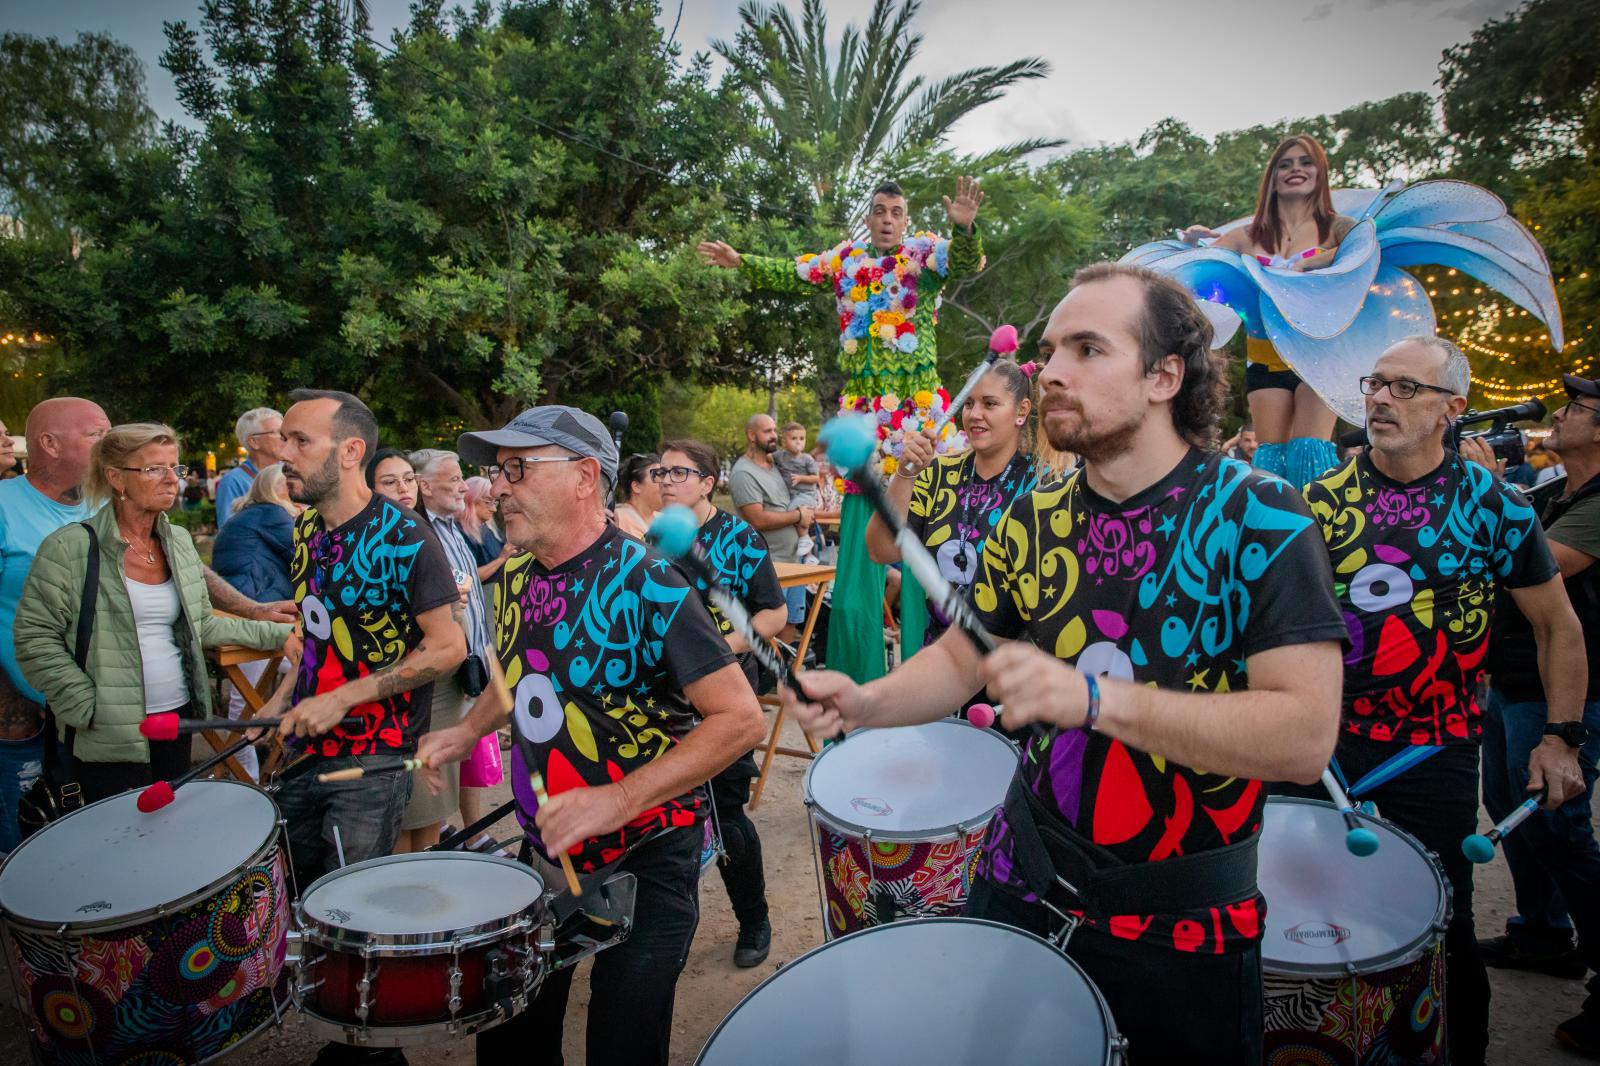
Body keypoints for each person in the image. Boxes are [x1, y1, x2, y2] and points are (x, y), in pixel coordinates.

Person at [782, 262, 1348, 1061]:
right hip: (1022, 876)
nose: (1050, 372)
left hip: (1184, 917)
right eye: (1050, 351)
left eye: (1087, 349)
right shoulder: (1033, 515)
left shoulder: (1259, 512)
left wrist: (1090, 698)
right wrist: (864, 703)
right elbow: (964, 656)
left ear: (1164, 376)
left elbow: (1302, 734)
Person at [417, 405, 766, 1066]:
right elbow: (521, 675)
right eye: (496, 470)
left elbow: (740, 718)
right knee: (513, 1038)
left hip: (648, 855)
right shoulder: (517, 574)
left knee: (621, 1043)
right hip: (551, 854)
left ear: (583, 476)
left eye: (517, 468)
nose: (495, 486)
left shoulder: (650, 581)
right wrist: (465, 733)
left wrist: (616, 799)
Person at [1294, 336, 1586, 1066]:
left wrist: (1561, 738)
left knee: (1442, 929)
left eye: (1404, 388)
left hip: (1434, 752)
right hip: (1320, 745)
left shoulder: (1495, 507)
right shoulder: (1317, 503)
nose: (1381, 399)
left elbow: (1557, 626)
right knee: (1304, 912)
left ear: (1452, 409)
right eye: (1376, 384)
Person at [700, 177, 986, 686]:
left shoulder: (926, 254)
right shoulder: (845, 260)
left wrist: (964, 229)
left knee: (922, 559)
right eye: (879, 211)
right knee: (856, 576)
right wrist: (740, 261)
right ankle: (858, 691)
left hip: (921, 421)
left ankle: (931, 683)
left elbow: (964, 263)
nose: (887, 220)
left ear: (906, 217)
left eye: (896, 211)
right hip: (864, 428)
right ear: (869, 217)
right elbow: (791, 273)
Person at [263, 390, 464, 913]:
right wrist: (283, 696)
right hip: (305, 746)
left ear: (351, 452)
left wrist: (344, 698)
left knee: (343, 906)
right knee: (290, 893)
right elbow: (316, 634)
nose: (284, 453)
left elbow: (448, 648)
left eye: (300, 440)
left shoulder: (407, 537)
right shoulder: (306, 529)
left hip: (372, 759)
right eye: (284, 439)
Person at [14, 423, 290, 802]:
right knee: (118, 835)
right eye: (153, 469)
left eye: (174, 468)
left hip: (175, 719)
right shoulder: (70, 548)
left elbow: (203, 625)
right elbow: (33, 639)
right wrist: (85, 706)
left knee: (168, 828)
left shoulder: (175, 540)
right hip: (108, 730)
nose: (171, 479)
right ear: (116, 478)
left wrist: (286, 635)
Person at [1477, 372, 1600, 1055]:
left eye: (1579, 406)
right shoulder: (1557, 490)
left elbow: (1539, 562)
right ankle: (1544, 934)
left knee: (1558, 825)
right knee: (1509, 808)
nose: (1561, 413)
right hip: (1514, 680)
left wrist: (1487, 489)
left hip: (1570, 691)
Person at [658, 437, 786, 968]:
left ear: (708, 483)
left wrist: (714, 650)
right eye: (660, 471)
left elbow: (774, 616)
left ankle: (753, 919)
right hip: (663, 699)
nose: (665, 480)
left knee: (725, 812)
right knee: (666, 816)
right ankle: (665, 933)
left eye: (679, 473)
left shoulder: (738, 537)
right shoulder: (653, 539)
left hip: (727, 694)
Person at [1178, 136, 1356, 486]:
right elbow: (1200, 265)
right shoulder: (1247, 236)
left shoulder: (1337, 228)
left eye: (1306, 162)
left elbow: (1367, 250)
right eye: (1285, 164)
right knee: (1270, 457)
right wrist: (1189, 242)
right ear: (1273, 176)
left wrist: (1319, 260)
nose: (1296, 170)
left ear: (1320, 172)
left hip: (1319, 355)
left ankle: (1321, 534)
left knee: (1311, 452)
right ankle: (1273, 533)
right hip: (1264, 356)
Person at [865, 357, 1040, 657]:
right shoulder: (938, 474)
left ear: (1021, 411)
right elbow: (881, 550)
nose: (974, 415)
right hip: (942, 658)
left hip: (1013, 667)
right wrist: (905, 475)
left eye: (989, 403)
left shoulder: (1042, 482)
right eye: (969, 404)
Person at [0, 398, 110, 852]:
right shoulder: (5, 506)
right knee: (29, 850)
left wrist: (253, 610)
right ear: (49, 443)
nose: (111, 444)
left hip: (106, 713)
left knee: (97, 842)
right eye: (97, 436)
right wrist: (13, 705)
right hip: (29, 724)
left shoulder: (108, 503)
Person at [399, 447, 491, 853]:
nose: (462, 485)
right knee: (423, 789)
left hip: (461, 670)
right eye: (453, 478)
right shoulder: (419, 530)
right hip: (431, 677)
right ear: (425, 485)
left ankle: (432, 857)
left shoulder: (452, 527)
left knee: (441, 789)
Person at [210, 462, 299, 779]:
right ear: (276, 489)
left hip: (236, 615)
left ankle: (250, 767)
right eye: (291, 482)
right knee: (248, 698)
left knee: (253, 692)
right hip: (255, 616)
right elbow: (310, 556)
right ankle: (246, 773)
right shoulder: (272, 514)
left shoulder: (247, 515)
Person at [729, 414, 812, 645]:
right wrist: (799, 515)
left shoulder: (776, 464)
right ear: (751, 435)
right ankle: (768, 676)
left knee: (792, 619)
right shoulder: (744, 473)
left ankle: (783, 677)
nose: (774, 435)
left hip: (795, 559)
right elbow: (757, 519)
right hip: (769, 564)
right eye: (767, 431)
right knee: (771, 624)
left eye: (775, 430)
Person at [214, 406, 284, 526]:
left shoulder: (290, 473)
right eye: (277, 432)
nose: (285, 437)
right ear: (254, 442)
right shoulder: (233, 482)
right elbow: (230, 534)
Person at [775, 422, 820, 561]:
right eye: (794, 438)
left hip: (806, 494)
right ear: (784, 442)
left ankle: (805, 538)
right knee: (792, 512)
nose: (798, 442)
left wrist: (801, 478)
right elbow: (767, 458)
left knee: (794, 512)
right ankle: (808, 556)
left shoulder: (807, 459)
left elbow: (816, 477)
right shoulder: (780, 456)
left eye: (801, 438)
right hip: (791, 494)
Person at [462, 474, 511, 579]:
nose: (494, 509)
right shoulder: (460, 533)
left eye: (495, 503)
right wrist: (501, 559)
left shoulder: (489, 528)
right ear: (470, 499)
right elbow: (468, 577)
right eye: (488, 502)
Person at [613, 452, 665, 539]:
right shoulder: (618, 519)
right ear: (636, 486)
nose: (665, 483)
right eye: (657, 476)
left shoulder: (663, 519)